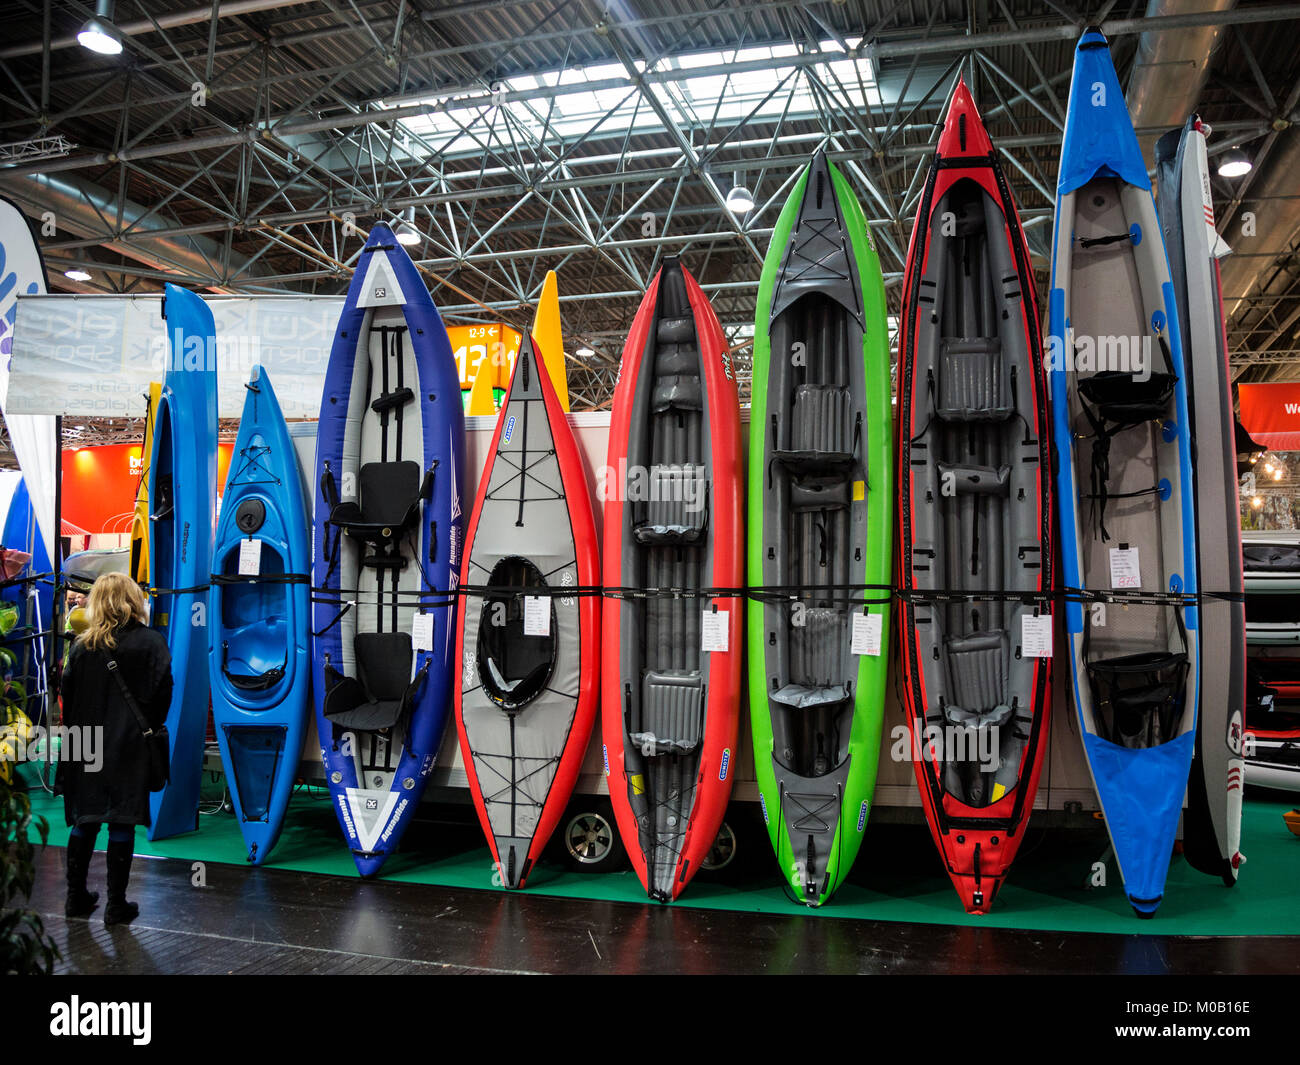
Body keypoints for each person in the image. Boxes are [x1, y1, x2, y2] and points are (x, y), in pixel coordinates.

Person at [55, 572, 172, 925]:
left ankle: (75, 897)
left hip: (85, 743)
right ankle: (115, 904)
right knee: (123, 820)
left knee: (85, 818)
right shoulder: (151, 642)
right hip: (129, 743)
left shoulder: (80, 646)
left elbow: (68, 700)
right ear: (133, 600)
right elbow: (162, 693)